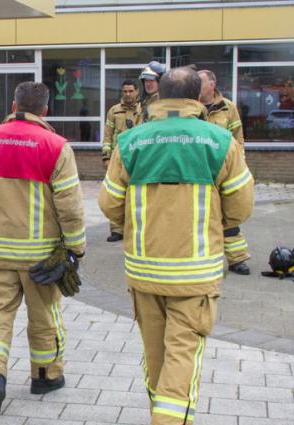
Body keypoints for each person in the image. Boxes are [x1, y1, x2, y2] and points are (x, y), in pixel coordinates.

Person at [99, 67, 253, 425]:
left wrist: (134, 225)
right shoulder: (219, 142)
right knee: (182, 355)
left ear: (157, 94)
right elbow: (241, 208)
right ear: (199, 97)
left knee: (156, 356)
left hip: (144, 272)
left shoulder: (131, 141)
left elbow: (108, 204)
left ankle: (161, 415)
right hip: (194, 275)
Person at [0, 82, 86, 414]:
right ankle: (45, 376)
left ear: (14, 103)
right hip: (41, 259)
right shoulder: (57, 147)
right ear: (45, 110)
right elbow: (70, 207)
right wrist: (75, 249)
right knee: (45, 316)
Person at [198, 70, 251, 275]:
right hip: (201, 169)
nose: (197, 87)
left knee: (229, 214)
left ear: (212, 84)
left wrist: (239, 165)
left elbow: (238, 139)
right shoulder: (192, 108)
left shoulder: (228, 108)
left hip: (224, 169)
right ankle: (205, 258)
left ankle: (237, 258)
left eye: (200, 83)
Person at [102, 79, 140, 242]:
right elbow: (108, 135)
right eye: (125, 91)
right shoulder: (114, 111)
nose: (128, 94)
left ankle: (133, 228)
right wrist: (106, 156)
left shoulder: (142, 110)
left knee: (135, 194)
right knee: (116, 193)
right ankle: (117, 229)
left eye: (131, 91)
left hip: (137, 157)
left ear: (137, 91)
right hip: (118, 158)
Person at [136, 61, 166, 125]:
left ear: (159, 82)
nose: (148, 84)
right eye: (146, 81)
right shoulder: (143, 102)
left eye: (151, 80)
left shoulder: (163, 102)